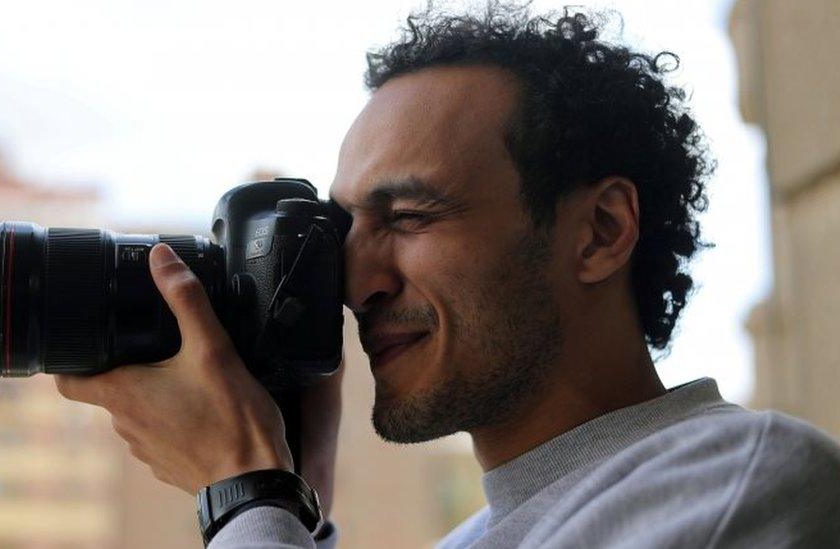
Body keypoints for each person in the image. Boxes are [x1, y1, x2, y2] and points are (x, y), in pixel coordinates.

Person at [54, 3, 840, 547]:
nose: (355, 283)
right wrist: (294, 497)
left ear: (600, 232)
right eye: (345, 229)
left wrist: (240, 488)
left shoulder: (746, 483)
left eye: (407, 217)